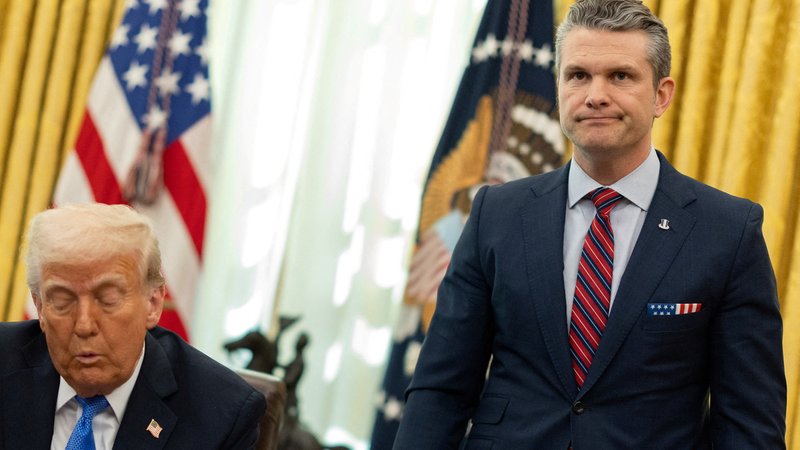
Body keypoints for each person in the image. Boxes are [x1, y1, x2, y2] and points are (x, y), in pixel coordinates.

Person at [393, 0, 786, 448]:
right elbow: (440, 390)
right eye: (578, 75)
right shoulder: (494, 214)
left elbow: (750, 424)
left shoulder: (729, 232)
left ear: (662, 95)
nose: (595, 94)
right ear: (559, 87)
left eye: (620, 76)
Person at [0, 203, 266, 449]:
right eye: (61, 301)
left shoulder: (221, 416)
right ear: (40, 307)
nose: (83, 325)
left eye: (108, 300)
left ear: (152, 303)